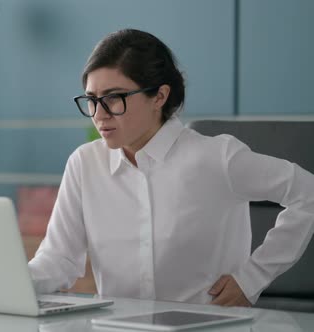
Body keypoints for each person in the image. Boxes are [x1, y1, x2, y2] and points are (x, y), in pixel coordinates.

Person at [27, 29, 314, 306]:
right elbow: (59, 258)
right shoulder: (84, 163)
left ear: (159, 96)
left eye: (114, 98)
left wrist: (252, 278)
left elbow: (308, 193)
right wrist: (8, 284)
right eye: (91, 100)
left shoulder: (216, 157)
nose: (99, 115)